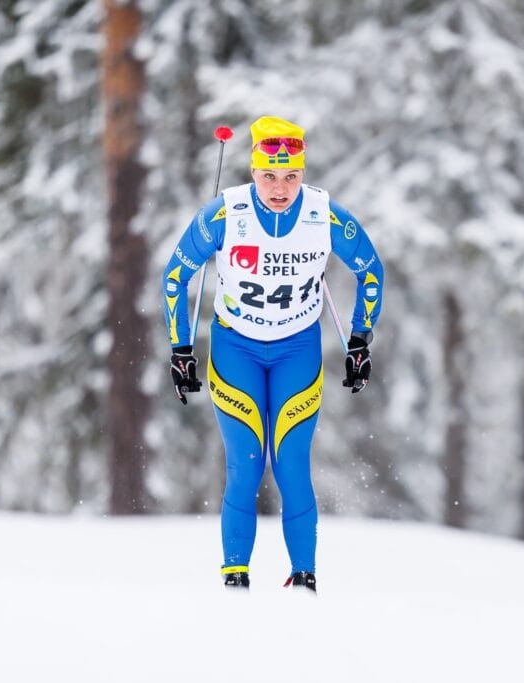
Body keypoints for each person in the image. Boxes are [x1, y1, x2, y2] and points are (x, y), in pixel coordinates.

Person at [162, 115, 384, 592]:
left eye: (291, 177)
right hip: (235, 348)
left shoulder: (324, 215)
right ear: (252, 171)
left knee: (291, 463)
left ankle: (303, 579)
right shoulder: (226, 213)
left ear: (303, 174)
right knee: (245, 462)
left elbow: (371, 271)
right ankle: (234, 579)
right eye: (268, 176)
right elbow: (176, 277)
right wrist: (181, 350)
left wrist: (360, 340)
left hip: (297, 351)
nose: (280, 188)